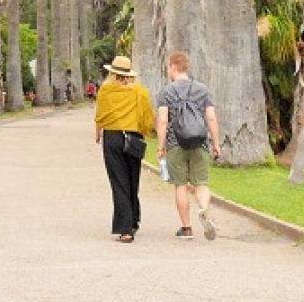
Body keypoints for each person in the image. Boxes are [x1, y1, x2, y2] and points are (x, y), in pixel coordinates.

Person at [155, 51, 222, 240]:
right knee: (201, 184)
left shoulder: (167, 92)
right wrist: (216, 143)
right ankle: (204, 208)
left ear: (173, 67)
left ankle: (186, 228)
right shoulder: (203, 90)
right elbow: (211, 117)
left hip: (176, 143)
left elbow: (162, 121)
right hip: (200, 143)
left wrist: (161, 147)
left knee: (181, 185)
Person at [93, 55, 155, 243]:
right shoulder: (140, 92)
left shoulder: (106, 90)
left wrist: (98, 133)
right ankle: (133, 220)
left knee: (119, 182)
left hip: (113, 137)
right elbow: (147, 118)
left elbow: (100, 115)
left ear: (112, 73)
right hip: (134, 137)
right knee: (132, 180)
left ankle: (126, 228)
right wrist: (142, 131)